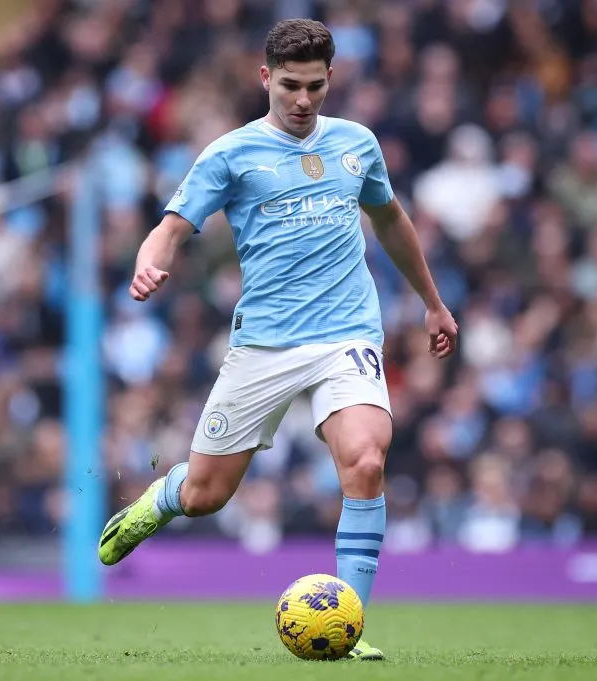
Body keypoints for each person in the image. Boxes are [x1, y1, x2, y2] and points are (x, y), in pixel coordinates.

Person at [98, 18, 458, 660]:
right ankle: (163, 498)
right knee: (209, 496)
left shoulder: (357, 144)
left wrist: (432, 303)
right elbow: (172, 227)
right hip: (264, 345)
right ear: (265, 77)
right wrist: (149, 261)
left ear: (330, 81)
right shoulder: (230, 154)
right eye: (290, 85)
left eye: (315, 87)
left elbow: (392, 221)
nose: (302, 100)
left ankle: (347, 630)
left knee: (368, 461)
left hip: (347, 333)